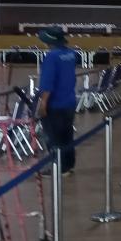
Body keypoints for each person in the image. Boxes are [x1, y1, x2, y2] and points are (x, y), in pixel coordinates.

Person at [36, 27, 78, 177]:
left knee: (54, 137)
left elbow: (48, 83)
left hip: (55, 104)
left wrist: (43, 103)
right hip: (69, 101)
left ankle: (59, 167)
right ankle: (68, 165)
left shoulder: (51, 57)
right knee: (67, 135)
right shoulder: (71, 54)